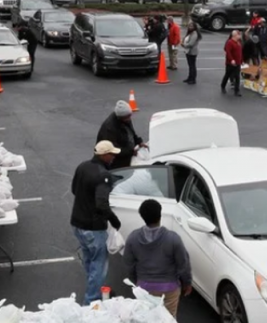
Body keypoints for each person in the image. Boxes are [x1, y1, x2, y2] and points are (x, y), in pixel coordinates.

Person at [71, 140, 123, 305]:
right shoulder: (103, 175)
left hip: (77, 223)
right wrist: (114, 220)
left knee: (89, 260)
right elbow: (101, 204)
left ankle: (95, 289)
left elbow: (74, 189)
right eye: (112, 154)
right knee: (99, 265)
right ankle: (91, 301)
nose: (114, 157)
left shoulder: (82, 166)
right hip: (93, 227)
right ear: (105, 155)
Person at [123, 199, 192, 318]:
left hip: (144, 288)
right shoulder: (173, 239)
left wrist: (137, 282)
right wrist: (187, 283)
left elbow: (129, 264)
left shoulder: (133, 238)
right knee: (168, 318)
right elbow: (183, 265)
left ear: (143, 217)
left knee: (146, 318)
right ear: (160, 215)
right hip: (169, 289)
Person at [96, 101, 147, 170]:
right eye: (127, 117)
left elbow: (131, 132)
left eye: (130, 116)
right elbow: (113, 149)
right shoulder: (110, 128)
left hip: (125, 156)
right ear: (120, 117)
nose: (129, 119)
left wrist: (139, 141)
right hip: (115, 163)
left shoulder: (125, 118)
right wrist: (130, 152)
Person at [221, 30, 243, 97]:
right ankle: (222, 86)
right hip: (230, 63)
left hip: (237, 63)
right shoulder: (230, 42)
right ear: (235, 35)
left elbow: (240, 52)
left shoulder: (238, 42)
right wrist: (231, 60)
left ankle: (237, 90)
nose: (240, 36)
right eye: (239, 35)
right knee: (227, 75)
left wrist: (241, 60)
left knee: (237, 77)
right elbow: (228, 52)